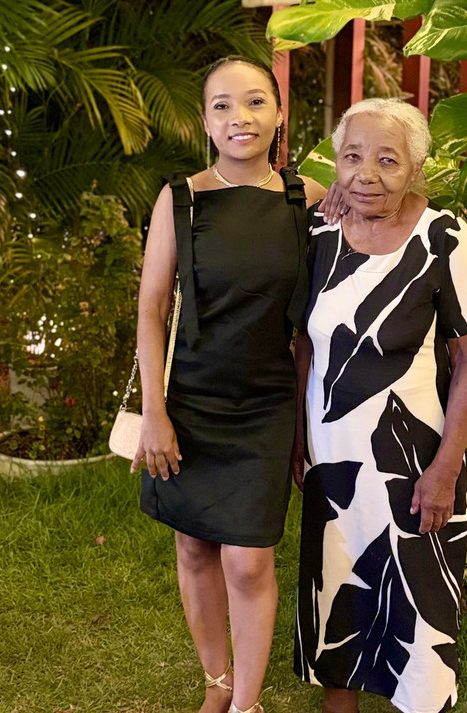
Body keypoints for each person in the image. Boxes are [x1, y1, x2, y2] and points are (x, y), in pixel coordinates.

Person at [292, 98, 467, 713]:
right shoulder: (319, 232)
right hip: (333, 457)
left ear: (416, 168)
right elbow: (305, 345)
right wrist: (299, 441)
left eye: (388, 160)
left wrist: (445, 469)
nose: (367, 174)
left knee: (420, 608)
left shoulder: (442, 237)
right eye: (352, 157)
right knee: (337, 598)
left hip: (413, 458)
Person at [132, 56, 328, 713]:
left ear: (279, 114)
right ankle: (218, 683)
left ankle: (247, 704)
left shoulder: (308, 200)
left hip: (268, 402)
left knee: (248, 560)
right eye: (222, 105)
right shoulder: (181, 199)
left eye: (254, 102)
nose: (239, 118)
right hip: (190, 401)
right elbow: (151, 309)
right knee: (194, 548)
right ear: (205, 121)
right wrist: (154, 412)